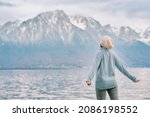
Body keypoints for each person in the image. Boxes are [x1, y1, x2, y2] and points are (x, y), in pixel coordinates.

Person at [86, 35, 140, 100]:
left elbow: (94, 67)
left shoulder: (99, 53)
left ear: (101, 43)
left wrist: (89, 79)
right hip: (112, 84)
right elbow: (122, 68)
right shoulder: (113, 54)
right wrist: (133, 78)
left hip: (101, 84)